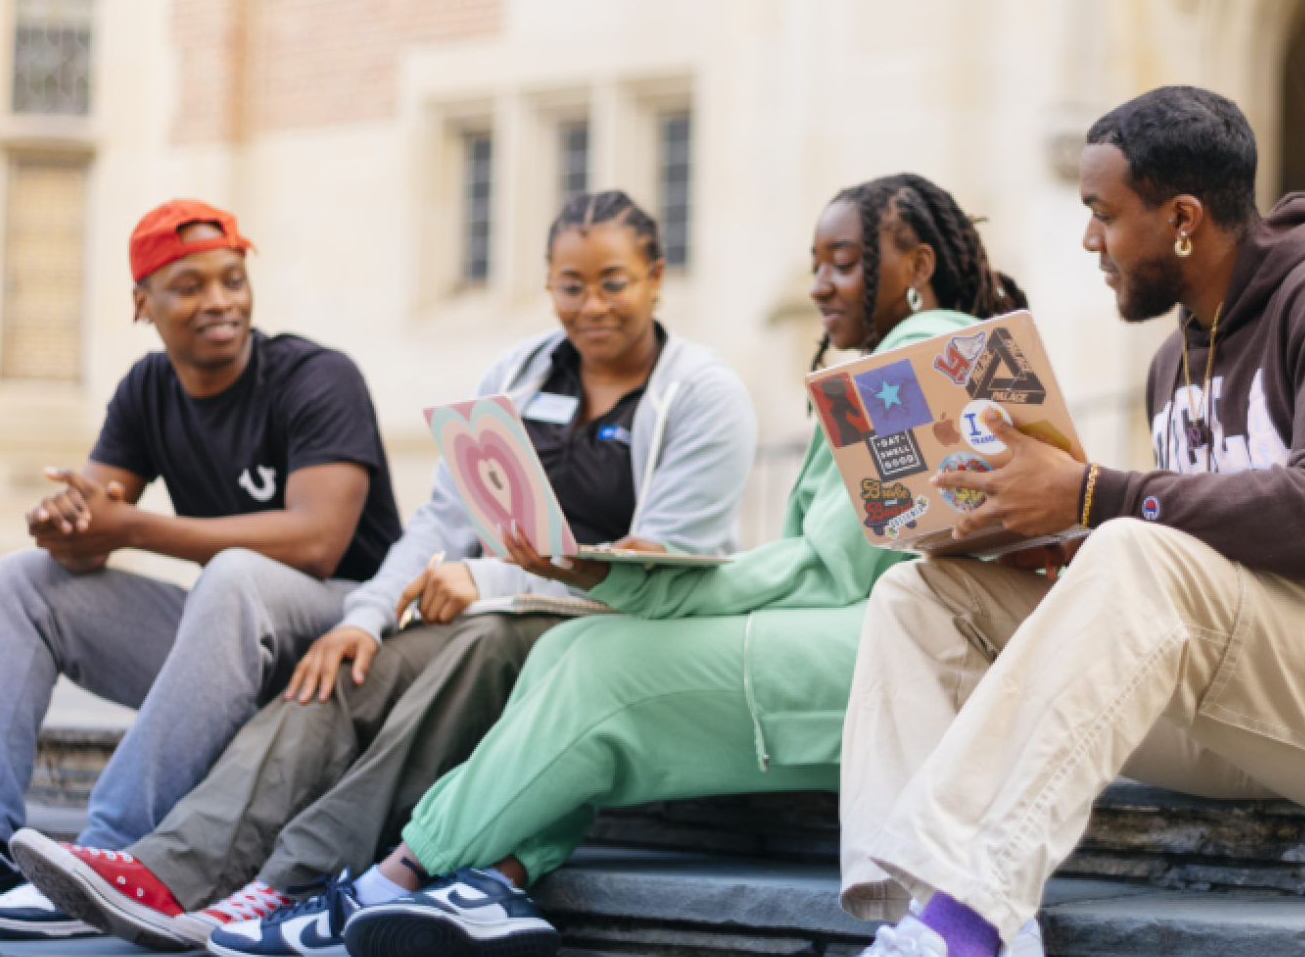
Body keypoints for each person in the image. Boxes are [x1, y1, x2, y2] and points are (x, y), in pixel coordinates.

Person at [837, 87, 1305, 957]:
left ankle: (974, 918)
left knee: (1128, 546)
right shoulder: (1175, 360)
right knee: (922, 596)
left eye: (1103, 214)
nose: (1090, 241)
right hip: (1262, 712)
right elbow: (1208, 563)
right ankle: (925, 916)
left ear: (1184, 219)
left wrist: (1095, 498)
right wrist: (1043, 535)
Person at [282, 174, 1030, 957]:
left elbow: (835, 574)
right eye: (815, 264)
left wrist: (652, 581)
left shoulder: (915, 355)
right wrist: (650, 578)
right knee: (572, 649)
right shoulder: (918, 355)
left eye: (842, 263)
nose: (817, 286)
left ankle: (394, 877)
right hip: (875, 636)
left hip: (897, 653)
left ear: (915, 267)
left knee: (607, 663)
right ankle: (500, 875)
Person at [8, 190, 759, 952]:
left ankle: (289, 882)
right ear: (548, 283)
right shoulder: (521, 372)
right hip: (492, 609)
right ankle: (170, 872)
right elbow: (440, 521)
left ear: (657, 277)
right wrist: (363, 618)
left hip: (612, 630)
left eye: (614, 282)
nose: (591, 305)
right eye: (571, 285)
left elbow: (659, 568)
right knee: (336, 669)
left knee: (469, 650)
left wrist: (489, 583)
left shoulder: (701, 396)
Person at [0, 200, 404, 938]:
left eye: (232, 279)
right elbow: (97, 520)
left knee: (233, 576)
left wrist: (129, 525)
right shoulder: (147, 388)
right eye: (191, 286)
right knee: (20, 581)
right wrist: (67, 526)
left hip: (344, 648)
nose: (220, 301)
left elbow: (318, 541)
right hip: (229, 651)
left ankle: (106, 853)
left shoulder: (316, 376)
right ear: (143, 304)